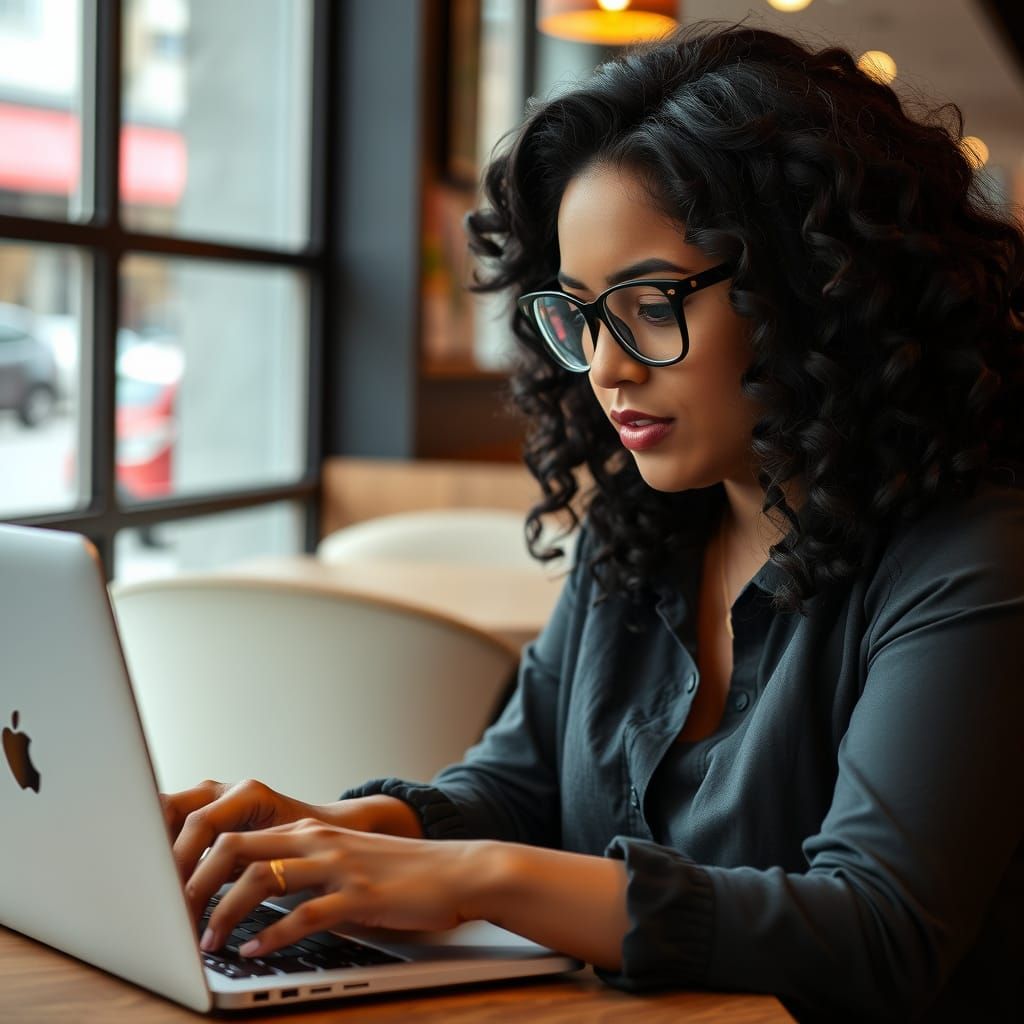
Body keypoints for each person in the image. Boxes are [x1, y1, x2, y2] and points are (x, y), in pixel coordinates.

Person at [162, 24, 1024, 1022]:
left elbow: (880, 929)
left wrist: (483, 880)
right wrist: (356, 825)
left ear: (815, 287)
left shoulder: (974, 556)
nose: (607, 367)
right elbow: (522, 780)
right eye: (577, 313)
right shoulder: (644, 529)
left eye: (650, 302)